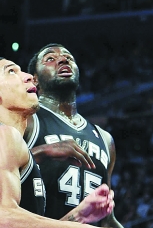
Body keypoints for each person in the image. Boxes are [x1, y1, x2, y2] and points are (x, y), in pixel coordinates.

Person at [0, 56, 114, 227]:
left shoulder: (14, 144)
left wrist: (77, 216)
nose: (28, 76)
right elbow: (4, 218)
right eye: (11, 71)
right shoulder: (4, 135)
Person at [24, 44, 124, 228]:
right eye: (50, 59)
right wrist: (42, 151)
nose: (63, 60)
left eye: (68, 58)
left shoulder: (105, 139)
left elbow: (106, 219)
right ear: (35, 79)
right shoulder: (26, 119)